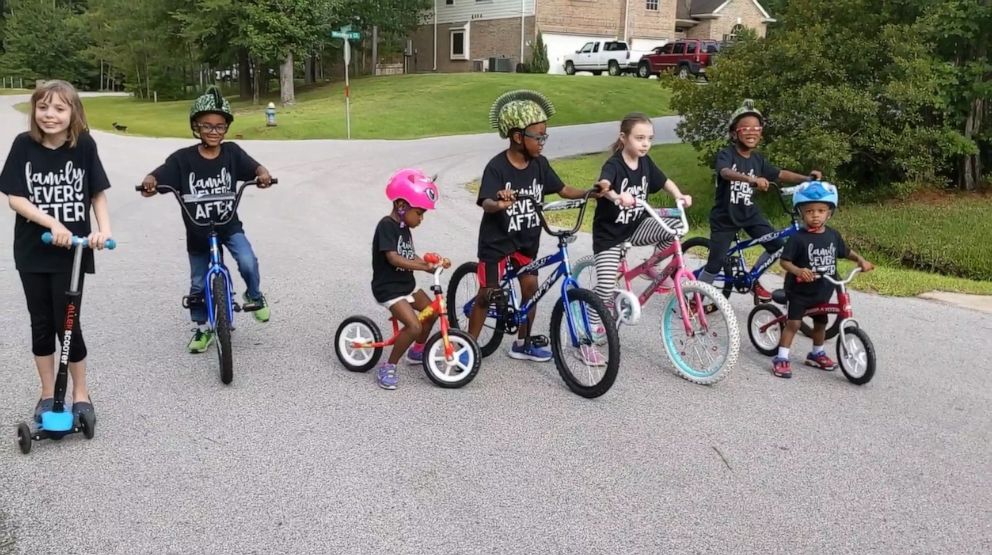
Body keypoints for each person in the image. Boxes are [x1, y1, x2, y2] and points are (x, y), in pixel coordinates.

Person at [0, 79, 114, 423]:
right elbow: (15, 198)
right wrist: (51, 223)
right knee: (41, 324)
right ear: (35, 111)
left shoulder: (84, 146)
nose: (50, 115)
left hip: (72, 254)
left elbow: (96, 193)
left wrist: (103, 230)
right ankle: (47, 393)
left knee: (68, 325)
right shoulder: (24, 145)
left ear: (73, 112)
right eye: (43, 107)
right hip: (33, 251)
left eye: (59, 108)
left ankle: (81, 392)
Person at [468, 90, 602, 364]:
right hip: (496, 242)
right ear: (518, 137)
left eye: (545, 136)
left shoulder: (539, 165)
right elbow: (486, 202)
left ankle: (523, 342)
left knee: (530, 288)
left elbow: (563, 189)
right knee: (487, 295)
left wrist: (590, 192)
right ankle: (466, 349)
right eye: (538, 136)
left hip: (526, 240)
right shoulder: (497, 167)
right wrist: (499, 202)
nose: (543, 142)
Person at [140, 86, 273, 353]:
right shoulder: (182, 159)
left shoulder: (232, 153)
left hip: (228, 226)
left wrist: (262, 174)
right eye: (207, 126)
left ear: (226, 128)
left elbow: (255, 168)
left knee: (248, 261)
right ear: (196, 127)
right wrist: (150, 182)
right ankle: (201, 329)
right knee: (199, 283)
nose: (214, 131)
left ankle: (254, 295)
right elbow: (158, 175)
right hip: (198, 232)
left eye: (220, 126)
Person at [698, 99, 823, 302]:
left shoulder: (758, 160)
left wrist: (806, 179)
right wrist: (750, 179)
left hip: (749, 214)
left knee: (778, 246)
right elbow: (725, 172)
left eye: (756, 128)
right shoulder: (726, 154)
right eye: (745, 128)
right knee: (716, 262)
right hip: (725, 217)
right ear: (734, 133)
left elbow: (779, 174)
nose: (752, 132)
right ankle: (695, 298)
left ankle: (752, 278)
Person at [590, 112, 692, 337]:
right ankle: (588, 332)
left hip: (636, 226)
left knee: (675, 228)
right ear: (624, 138)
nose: (645, 144)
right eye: (639, 138)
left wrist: (679, 195)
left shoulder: (645, 162)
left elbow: (665, 181)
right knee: (605, 288)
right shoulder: (615, 163)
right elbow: (603, 184)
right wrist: (616, 196)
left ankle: (651, 265)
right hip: (610, 234)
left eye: (649, 138)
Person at [772, 181, 874, 378]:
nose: (815, 215)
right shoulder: (798, 238)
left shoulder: (832, 235)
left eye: (821, 210)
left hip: (822, 290)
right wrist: (799, 270)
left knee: (821, 323)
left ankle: (816, 353)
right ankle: (781, 357)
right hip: (799, 291)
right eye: (809, 211)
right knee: (793, 324)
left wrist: (861, 260)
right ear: (801, 213)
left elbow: (845, 252)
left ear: (829, 213)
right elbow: (784, 262)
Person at [371, 169, 450, 390]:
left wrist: (430, 265)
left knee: (433, 310)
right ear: (401, 206)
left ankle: (417, 351)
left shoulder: (404, 228)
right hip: (389, 290)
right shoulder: (386, 225)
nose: (421, 219)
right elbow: (394, 258)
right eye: (420, 212)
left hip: (407, 286)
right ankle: (388, 366)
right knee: (414, 325)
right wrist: (423, 265)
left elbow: (408, 255)